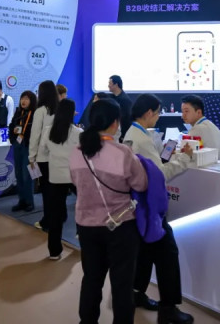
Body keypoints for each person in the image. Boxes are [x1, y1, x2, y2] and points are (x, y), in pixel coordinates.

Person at [70, 98, 148, 324]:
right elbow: (141, 184)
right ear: (116, 122)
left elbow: (76, 182)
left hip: (86, 225)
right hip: (121, 226)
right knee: (122, 284)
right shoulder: (122, 152)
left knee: (91, 279)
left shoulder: (77, 152)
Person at [124, 94, 194, 323]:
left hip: (139, 206)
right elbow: (159, 175)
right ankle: (168, 309)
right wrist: (184, 159)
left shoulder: (132, 133)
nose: (158, 117)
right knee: (167, 254)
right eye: (157, 113)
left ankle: (136, 294)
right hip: (151, 208)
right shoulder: (142, 139)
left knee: (145, 251)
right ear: (148, 113)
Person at [40, 98, 82, 260]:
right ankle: (81, 236)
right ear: (72, 113)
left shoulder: (48, 131)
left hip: (56, 176)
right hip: (75, 175)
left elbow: (43, 150)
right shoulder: (78, 133)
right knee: (82, 207)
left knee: (55, 215)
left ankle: (54, 250)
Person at [28, 80, 59, 231]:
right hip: (58, 155)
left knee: (46, 191)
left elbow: (35, 136)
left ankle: (47, 220)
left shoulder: (40, 111)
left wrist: (31, 157)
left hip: (43, 156)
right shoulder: (60, 109)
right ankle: (56, 218)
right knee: (56, 191)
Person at [9, 90, 37, 212]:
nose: (23, 101)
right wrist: (13, 140)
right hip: (18, 146)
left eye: (26, 99)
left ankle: (29, 202)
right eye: (22, 98)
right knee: (18, 174)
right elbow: (12, 126)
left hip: (29, 147)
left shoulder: (35, 114)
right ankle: (22, 200)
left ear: (32, 101)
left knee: (28, 176)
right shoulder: (18, 112)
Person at [180, 95, 220, 159]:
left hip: (211, 164)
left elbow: (188, 155)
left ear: (198, 112)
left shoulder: (197, 129)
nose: (183, 115)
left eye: (186, 111)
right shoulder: (209, 124)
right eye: (182, 111)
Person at [108, 75, 133, 140]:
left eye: (110, 83)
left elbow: (126, 120)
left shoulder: (125, 100)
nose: (108, 86)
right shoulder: (111, 98)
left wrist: (123, 136)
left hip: (122, 136)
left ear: (116, 85)